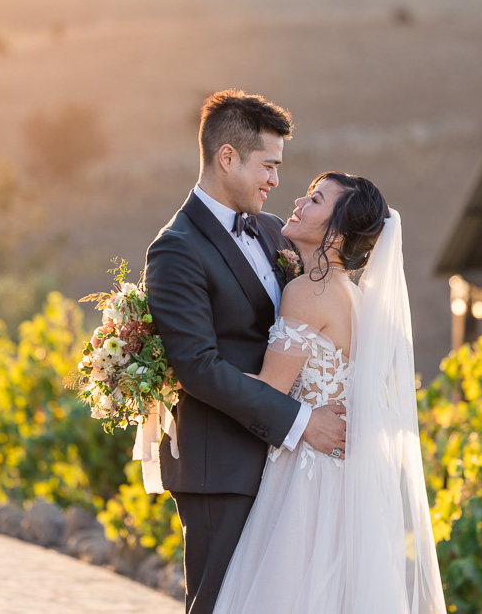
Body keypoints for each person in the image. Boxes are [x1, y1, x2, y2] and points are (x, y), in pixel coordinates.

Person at [144, 90, 348, 614]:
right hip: (222, 466)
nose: (276, 182)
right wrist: (303, 420)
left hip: (289, 471)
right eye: (269, 166)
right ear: (226, 157)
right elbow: (198, 368)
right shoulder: (177, 248)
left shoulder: (271, 230)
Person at [213, 172, 448, 613]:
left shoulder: (309, 291)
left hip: (308, 478)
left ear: (336, 231)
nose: (299, 202)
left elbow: (268, 391)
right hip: (342, 479)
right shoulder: (354, 299)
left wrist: (183, 364)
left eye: (316, 199)